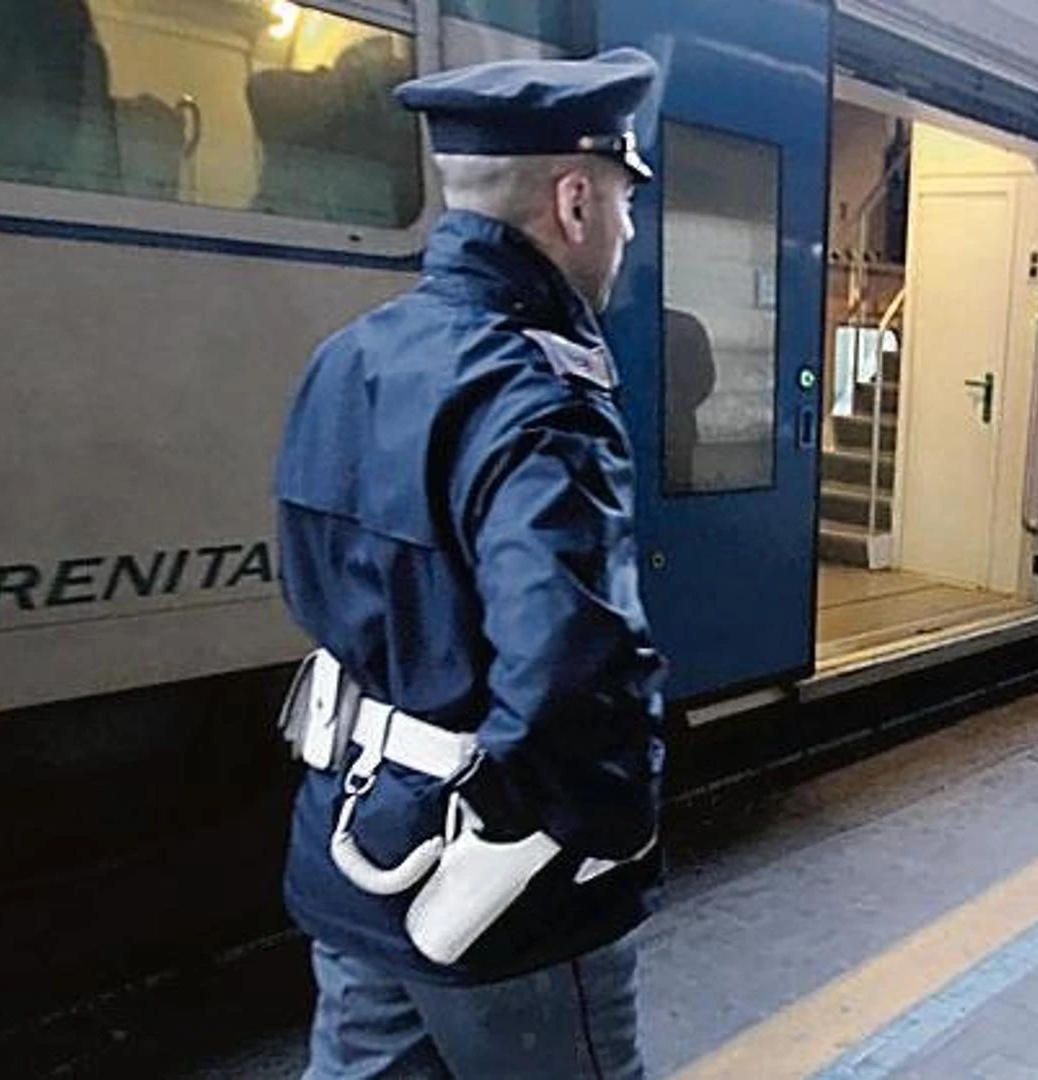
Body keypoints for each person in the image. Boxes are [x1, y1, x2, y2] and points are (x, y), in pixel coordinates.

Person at [271, 49, 666, 1078]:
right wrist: (606, 844)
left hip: (352, 837)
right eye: (625, 203)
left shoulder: (349, 355)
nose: (627, 232)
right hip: (502, 893)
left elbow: (313, 589)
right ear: (574, 199)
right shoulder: (543, 399)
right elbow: (572, 665)